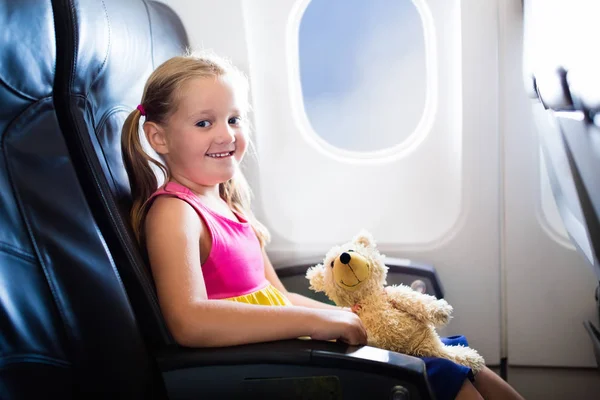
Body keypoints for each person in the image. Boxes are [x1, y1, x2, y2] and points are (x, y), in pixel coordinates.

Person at [121, 51, 524, 400]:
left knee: (452, 354)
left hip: (282, 344)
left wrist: (360, 317)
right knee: (438, 376)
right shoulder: (175, 212)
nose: (227, 133)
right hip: (263, 365)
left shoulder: (228, 204)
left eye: (234, 118)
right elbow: (188, 321)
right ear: (159, 137)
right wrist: (318, 322)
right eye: (204, 123)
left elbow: (276, 298)